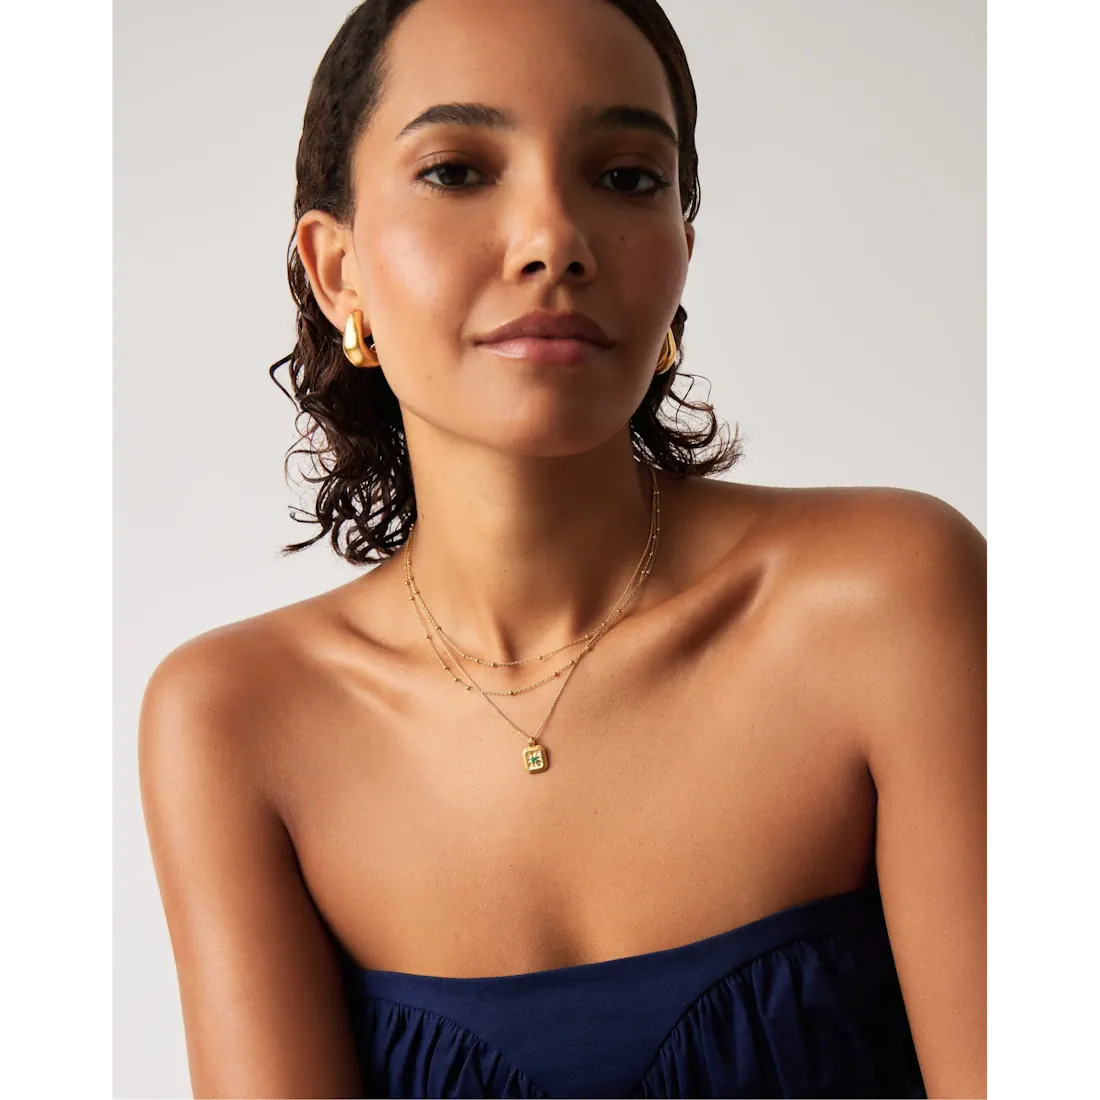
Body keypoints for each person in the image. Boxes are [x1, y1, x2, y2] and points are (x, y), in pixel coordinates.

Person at [138, 0, 990, 1096]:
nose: (554, 241)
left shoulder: (891, 599)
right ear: (336, 269)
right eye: (455, 171)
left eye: (626, 176)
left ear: (682, 251)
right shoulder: (235, 721)